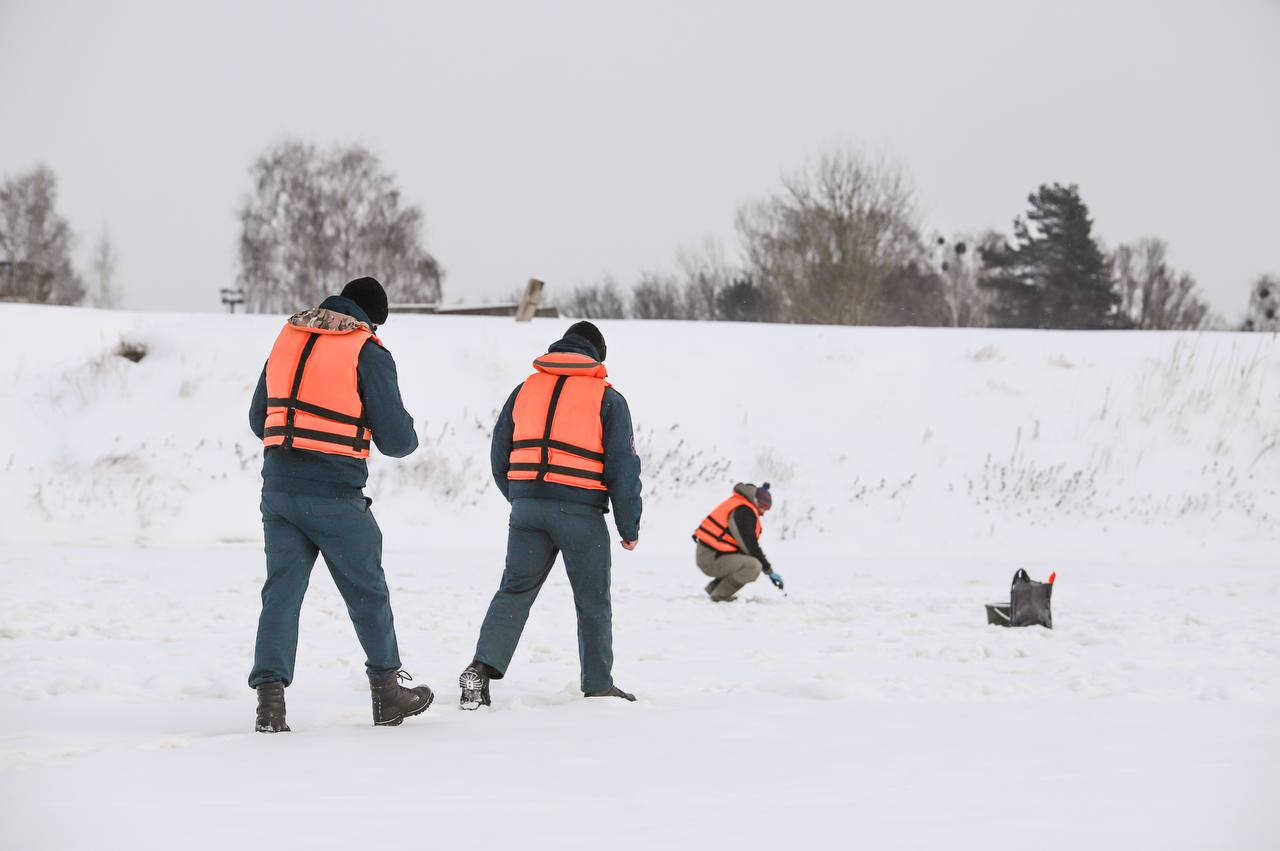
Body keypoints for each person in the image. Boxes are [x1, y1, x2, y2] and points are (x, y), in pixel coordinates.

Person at [246, 276, 433, 732]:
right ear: (370, 318)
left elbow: (258, 419)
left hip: (279, 492)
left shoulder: (287, 339)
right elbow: (396, 440)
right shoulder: (365, 350)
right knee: (368, 591)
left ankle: (270, 705)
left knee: (281, 596)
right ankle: (388, 694)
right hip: (333, 494)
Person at [459, 321, 643, 709]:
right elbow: (622, 467)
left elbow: (499, 454)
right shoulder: (607, 397)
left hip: (527, 509)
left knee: (514, 591)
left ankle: (480, 668)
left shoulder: (525, 389)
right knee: (592, 601)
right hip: (580, 513)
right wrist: (629, 525)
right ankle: (597, 683)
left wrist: (520, 497)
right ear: (596, 357)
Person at [693, 482, 783, 601]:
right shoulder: (744, 511)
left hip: (713, 554)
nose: (763, 513)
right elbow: (750, 546)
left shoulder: (742, 505)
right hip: (710, 558)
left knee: (748, 559)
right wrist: (768, 570)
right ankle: (720, 595)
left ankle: (715, 587)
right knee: (753, 566)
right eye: (764, 508)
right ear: (756, 502)